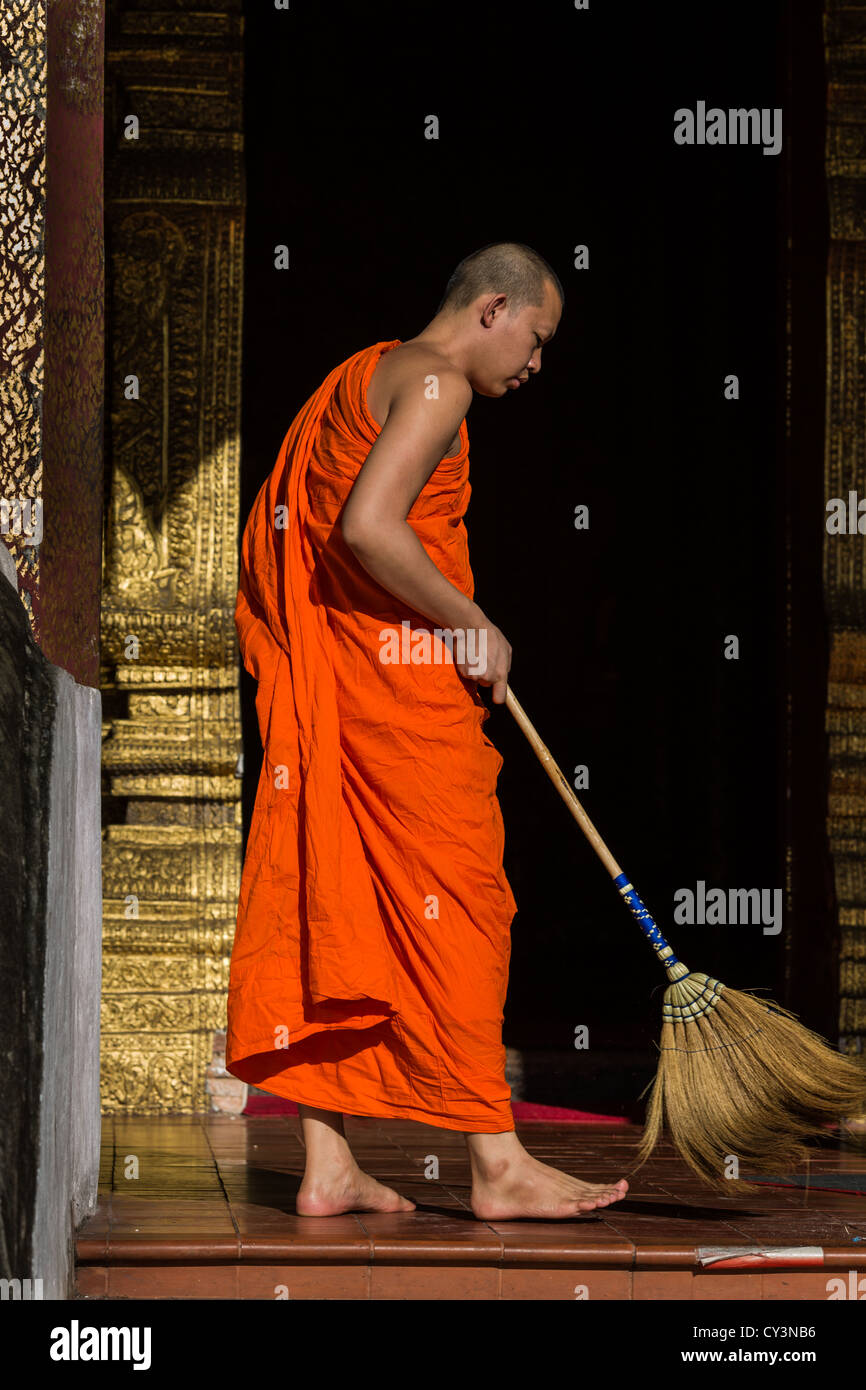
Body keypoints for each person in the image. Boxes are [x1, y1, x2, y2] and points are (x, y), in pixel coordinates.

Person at [227, 241, 630, 1219]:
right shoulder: (441, 384)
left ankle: (327, 1164)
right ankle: (495, 1164)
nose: (535, 366)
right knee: (468, 896)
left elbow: (298, 531)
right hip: (396, 701)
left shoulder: (354, 376)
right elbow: (366, 527)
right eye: (534, 340)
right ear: (492, 308)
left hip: (348, 689)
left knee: (342, 907)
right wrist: (469, 621)